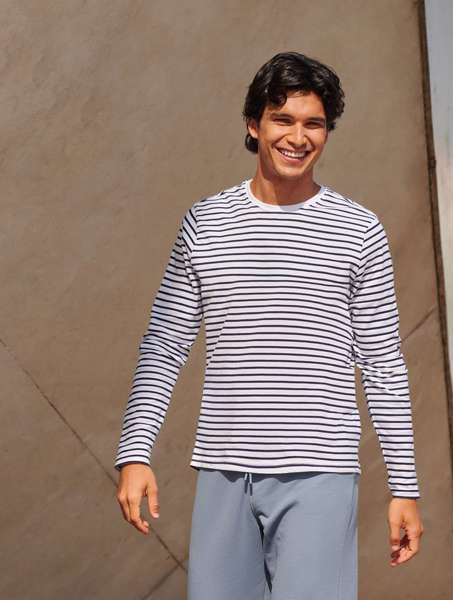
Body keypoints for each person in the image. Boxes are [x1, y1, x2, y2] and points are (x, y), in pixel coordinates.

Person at [114, 51, 424, 600]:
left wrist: (405, 487)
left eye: (314, 124)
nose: (298, 137)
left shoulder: (359, 230)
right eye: (283, 119)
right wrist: (135, 452)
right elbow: (164, 345)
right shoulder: (205, 223)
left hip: (320, 474)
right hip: (223, 473)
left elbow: (382, 363)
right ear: (253, 124)